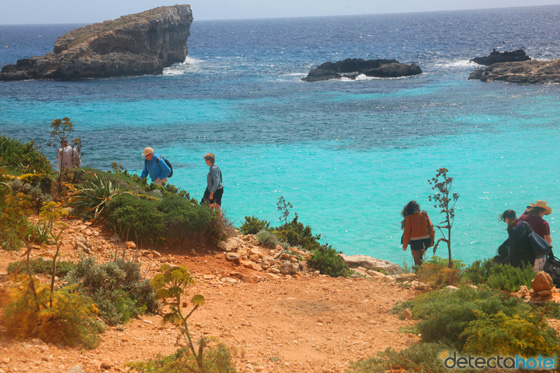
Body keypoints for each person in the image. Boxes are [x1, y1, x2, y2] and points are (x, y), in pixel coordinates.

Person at [519, 200, 552, 271]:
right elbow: (548, 240)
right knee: (535, 275)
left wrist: (524, 213)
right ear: (543, 211)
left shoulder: (522, 218)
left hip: (522, 252)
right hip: (537, 254)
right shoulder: (543, 223)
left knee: (522, 273)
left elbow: (516, 226)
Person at [401, 201, 435, 266]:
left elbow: (407, 233)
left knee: (417, 262)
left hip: (415, 242)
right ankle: (424, 273)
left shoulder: (409, 218)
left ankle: (418, 275)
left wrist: (404, 246)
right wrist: (432, 241)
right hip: (426, 240)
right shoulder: (424, 214)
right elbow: (431, 227)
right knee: (420, 259)